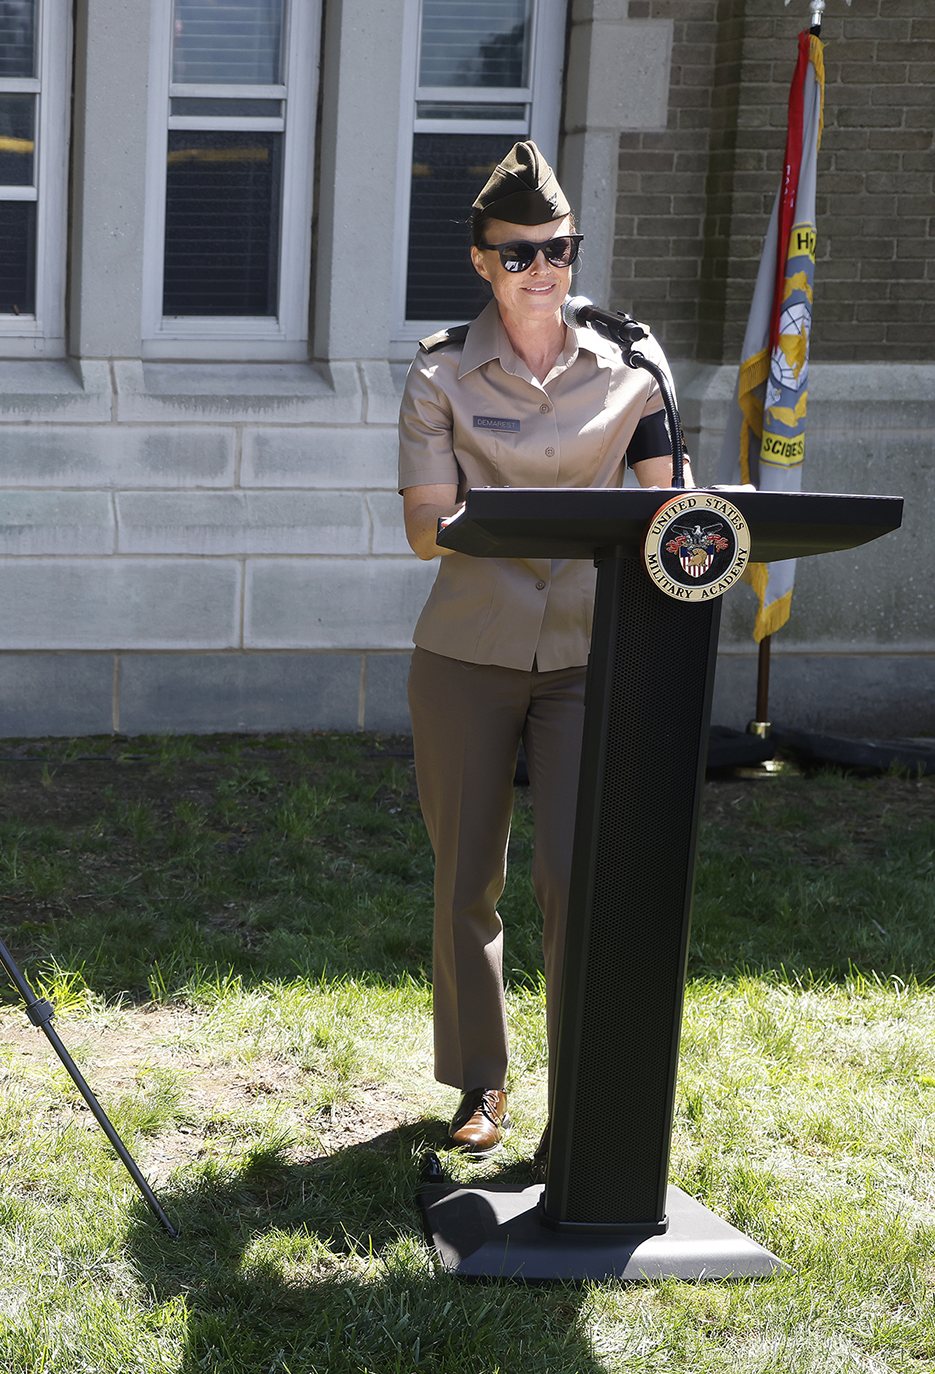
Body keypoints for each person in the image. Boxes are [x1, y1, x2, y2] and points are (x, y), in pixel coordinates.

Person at [397, 141, 679, 1159]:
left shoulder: (633, 368)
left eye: (557, 249)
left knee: (578, 877)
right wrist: (565, 518)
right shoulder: (439, 375)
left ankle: (585, 1097)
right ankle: (481, 1084)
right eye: (517, 255)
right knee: (468, 878)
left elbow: (665, 508)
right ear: (481, 261)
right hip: (468, 653)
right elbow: (428, 526)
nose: (541, 269)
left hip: (587, 657)